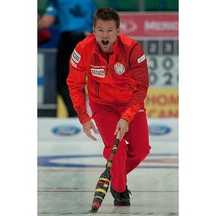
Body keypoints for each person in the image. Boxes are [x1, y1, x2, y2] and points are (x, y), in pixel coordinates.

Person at [67, 7, 151, 206]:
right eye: (101, 30)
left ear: (118, 31)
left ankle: (112, 174)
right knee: (118, 148)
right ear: (93, 31)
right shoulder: (82, 49)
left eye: (110, 30)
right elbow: (74, 84)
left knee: (141, 151)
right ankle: (120, 190)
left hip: (130, 103)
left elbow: (141, 87)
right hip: (102, 105)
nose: (105, 35)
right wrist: (84, 117)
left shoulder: (133, 49)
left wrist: (128, 116)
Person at [38, 0, 97, 117]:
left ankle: (76, 115)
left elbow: (47, 21)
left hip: (69, 41)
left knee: (64, 82)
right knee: (80, 82)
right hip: (87, 41)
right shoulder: (90, 1)